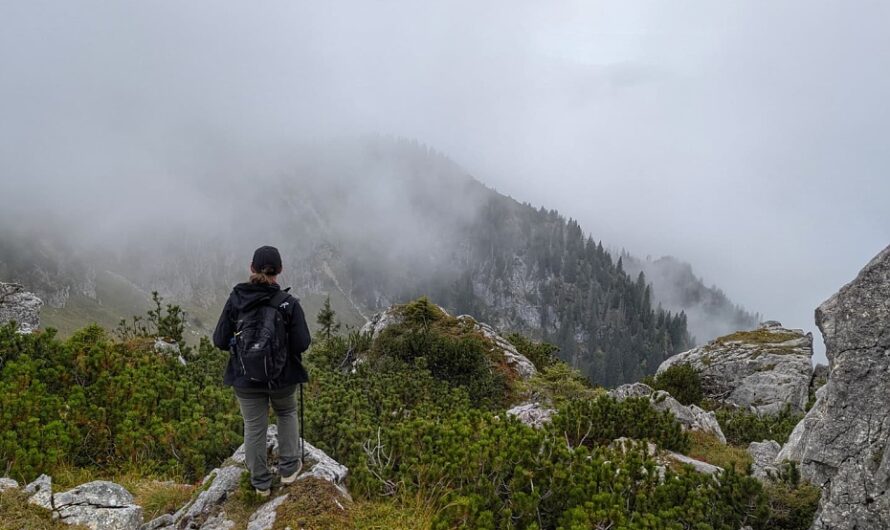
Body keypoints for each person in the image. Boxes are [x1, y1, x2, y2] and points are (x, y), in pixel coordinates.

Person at [212, 245, 311, 497]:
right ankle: (289, 470)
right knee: (286, 412)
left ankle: (261, 483)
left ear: (251, 268)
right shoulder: (288, 304)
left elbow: (219, 340)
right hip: (282, 378)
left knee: (254, 426)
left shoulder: (236, 299)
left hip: (245, 377)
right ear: (280, 271)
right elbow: (302, 343)